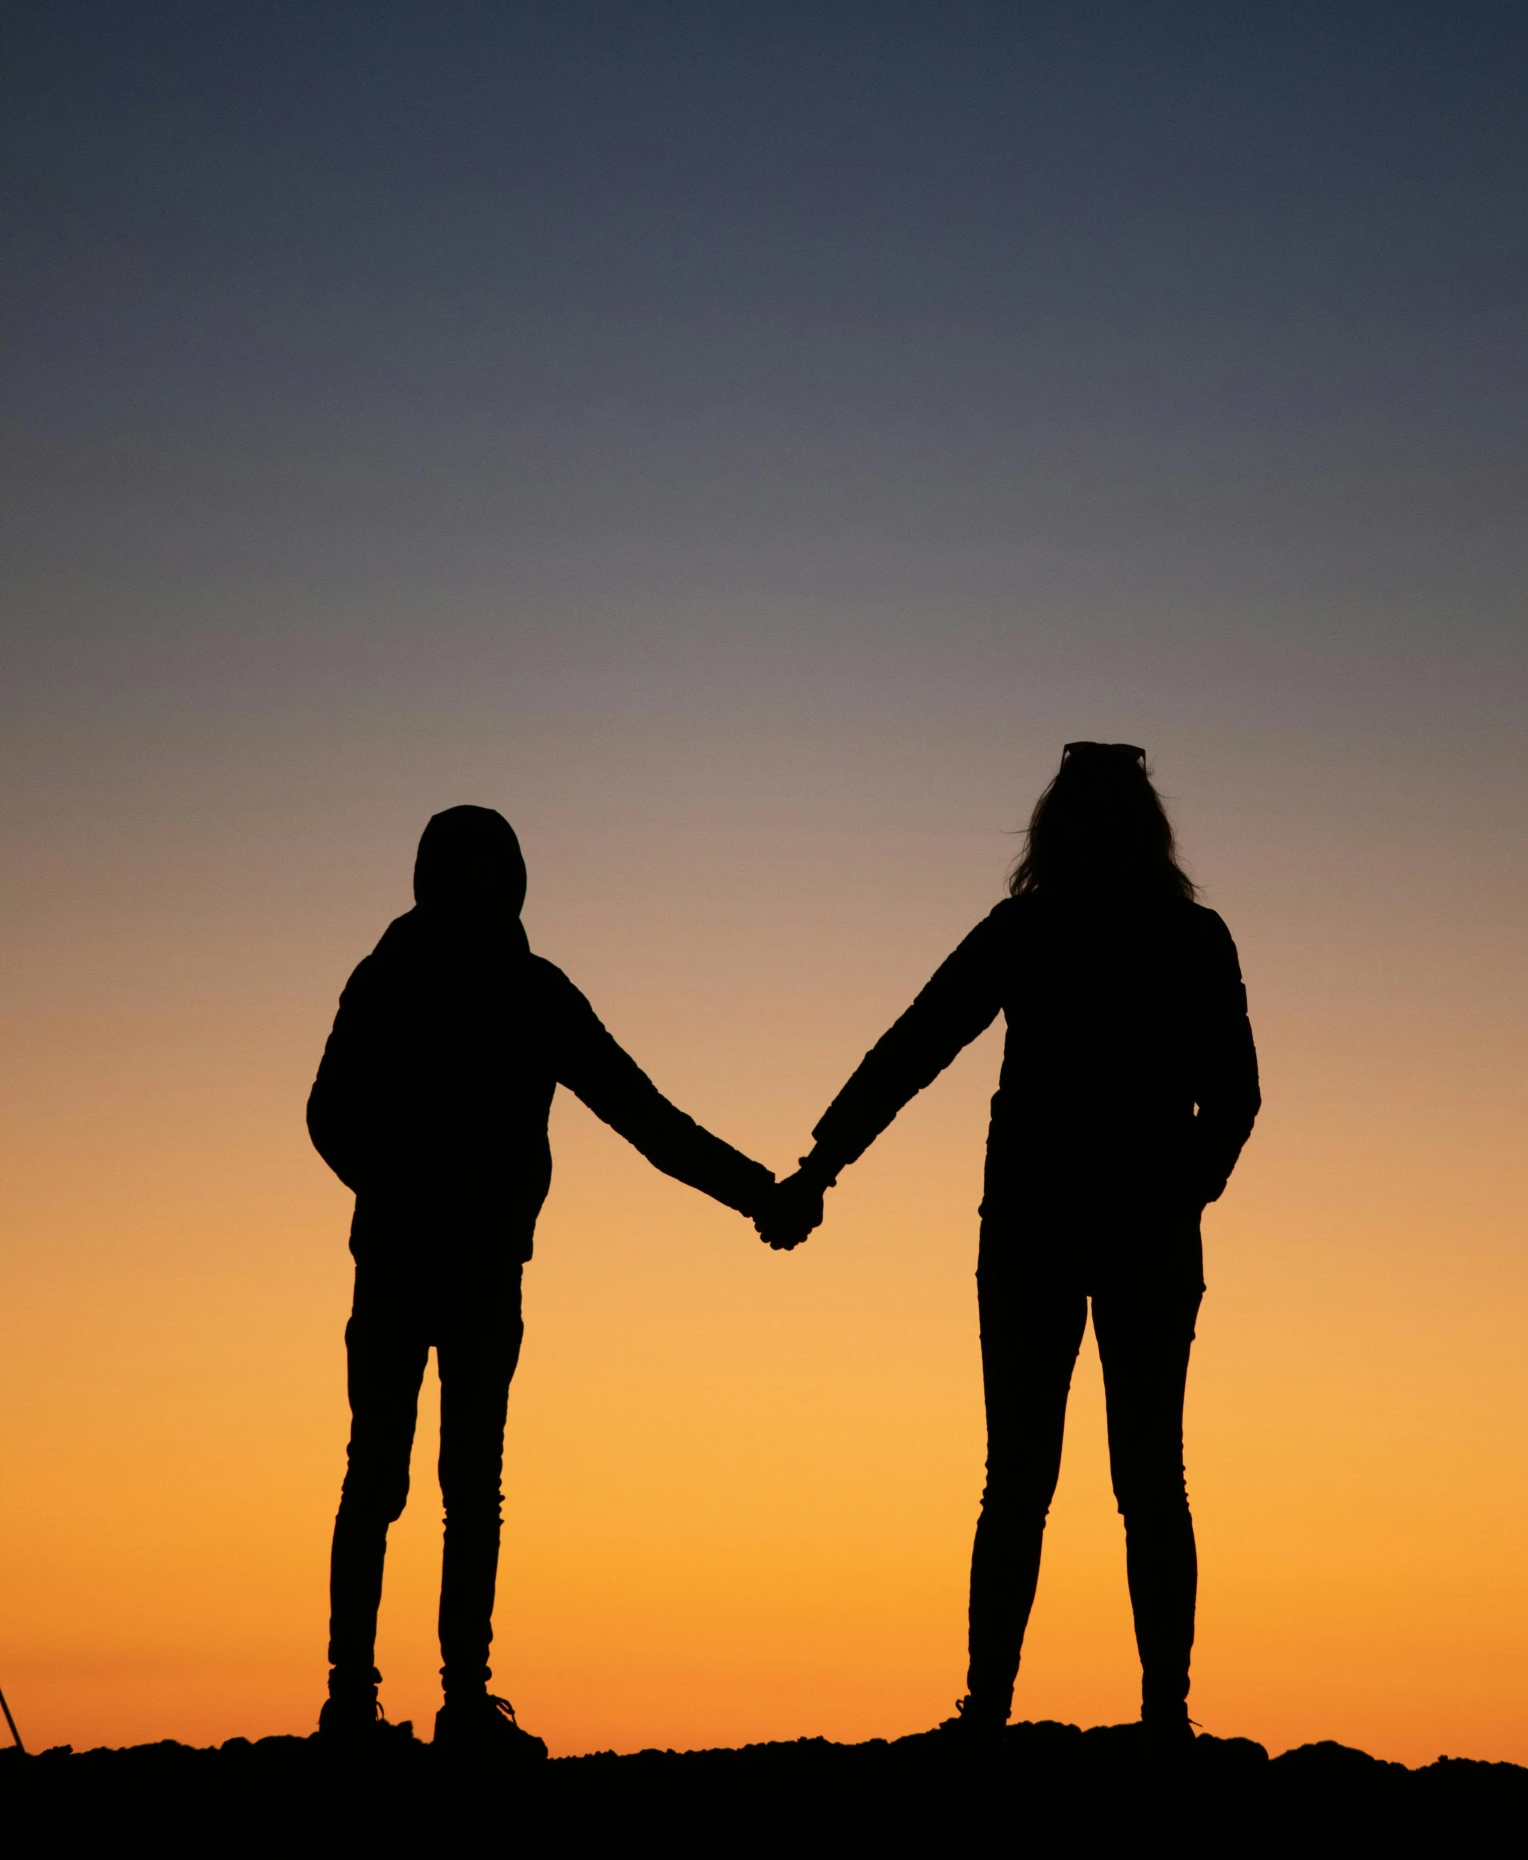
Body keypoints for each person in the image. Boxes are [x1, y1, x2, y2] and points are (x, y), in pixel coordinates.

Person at [756, 744, 1260, 1742]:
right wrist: (1182, 1190)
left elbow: (914, 1044)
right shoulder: (1183, 936)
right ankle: (1157, 1717)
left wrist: (821, 1165)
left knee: (1027, 1478)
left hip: (1040, 1227)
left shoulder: (1032, 930)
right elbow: (1233, 1094)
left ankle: (993, 1710)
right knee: (1145, 1473)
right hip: (1108, 1233)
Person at [308, 805, 775, 1755]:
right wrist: (401, 1187)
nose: (484, 888)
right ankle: (355, 1700)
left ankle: (457, 1698)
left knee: (462, 1485)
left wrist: (756, 1192)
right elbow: (328, 1114)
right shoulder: (395, 980)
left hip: (475, 1272)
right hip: (407, 1265)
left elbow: (645, 1118)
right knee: (384, 1479)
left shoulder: (530, 994)